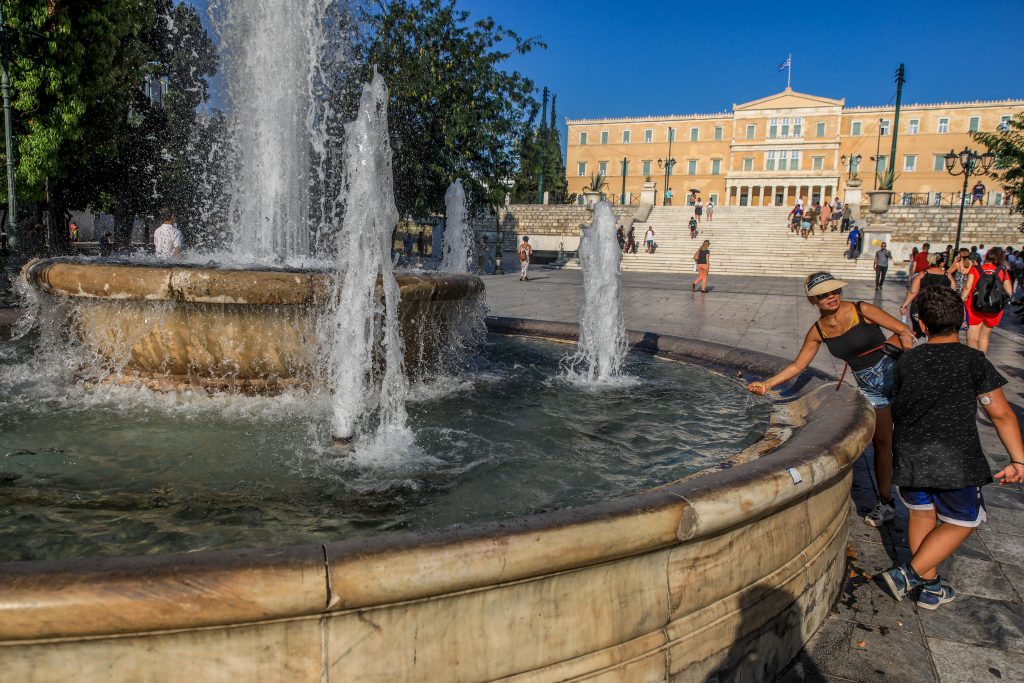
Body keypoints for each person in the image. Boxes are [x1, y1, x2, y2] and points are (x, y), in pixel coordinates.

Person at [879, 286, 1024, 609]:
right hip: (955, 457)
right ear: (960, 321)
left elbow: (896, 401)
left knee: (921, 515)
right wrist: (1019, 460)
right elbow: (999, 412)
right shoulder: (973, 361)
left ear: (922, 324)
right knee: (964, 520)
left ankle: (929, 586)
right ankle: (910, 573)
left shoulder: (908, 360)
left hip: (911, 454)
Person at [748, 272, 915, 526]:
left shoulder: (863, 310)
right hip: (869, 386)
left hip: (896, 371)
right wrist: (767, 384)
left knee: (912, 433)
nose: (831, 297)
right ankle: (886, 502)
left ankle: (924, 489)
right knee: (882, 442)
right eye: (823, 295)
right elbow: (798, 365)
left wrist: (912, 366)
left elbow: (904, 330)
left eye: (834, 291)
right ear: (813, 300)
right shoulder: (817, 331)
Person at [962, 247, 1012, 353]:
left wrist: (960, 301)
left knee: (972, 338)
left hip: (974, 306)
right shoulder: (1003, 272)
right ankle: (983, 363)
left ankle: (975, 363)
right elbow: (1009, 292)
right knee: (984, 337)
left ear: (986, 256)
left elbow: (967, 288)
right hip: (994, 309)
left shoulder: (975, 269)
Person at [901, 252, 954, 337]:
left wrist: (904, 305)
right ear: (942, 263)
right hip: (939, 309)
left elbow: (913, 292)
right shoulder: (948, 276)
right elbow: (953, 292)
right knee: (936, 334)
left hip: (920, 308)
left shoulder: (922, 274)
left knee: (917, 333)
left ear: (929, 262)